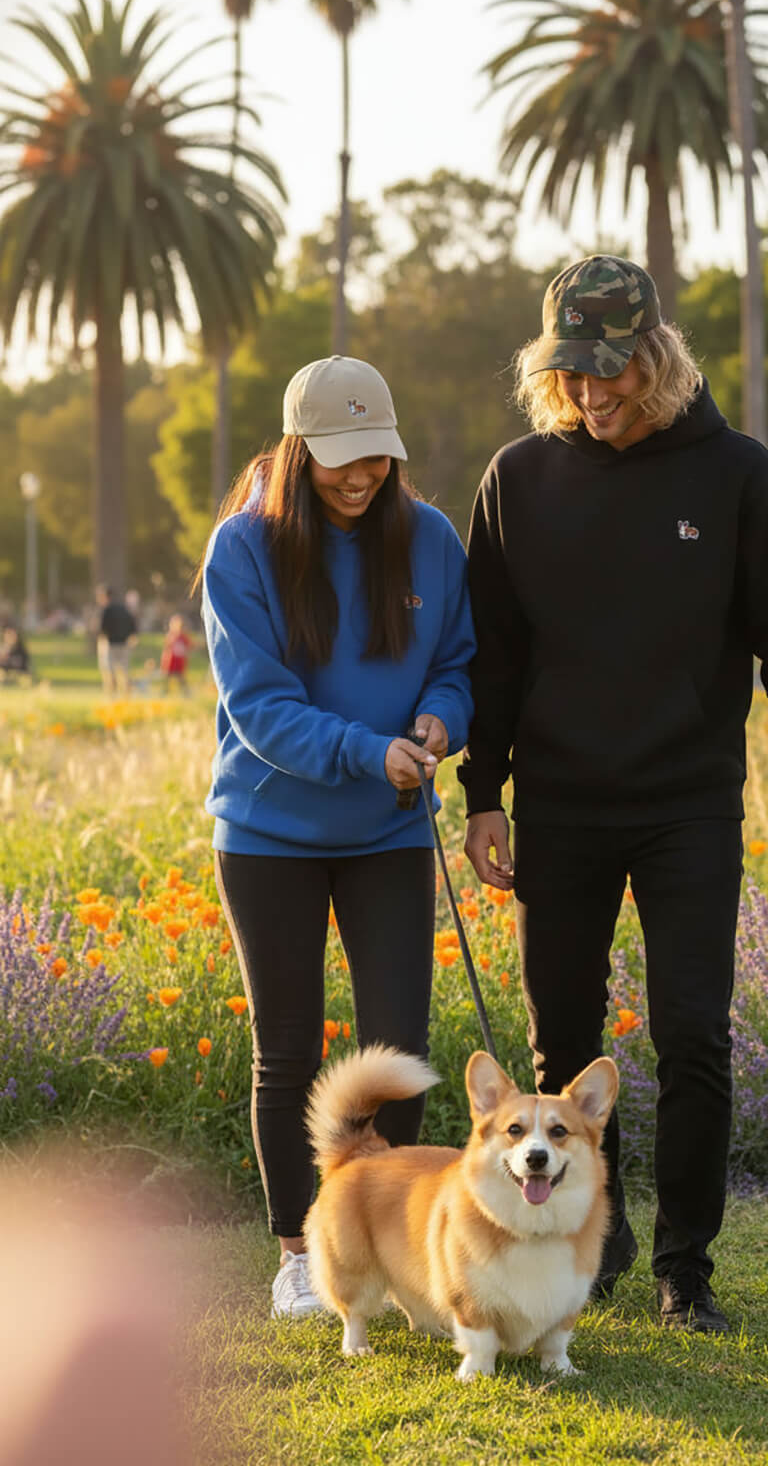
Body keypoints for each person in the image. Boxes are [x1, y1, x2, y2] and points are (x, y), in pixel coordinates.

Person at [458, 255, 768, 1336]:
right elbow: (493, 658)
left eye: (612, 370)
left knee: (693, 1038)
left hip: (689, 803)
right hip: (560, 804)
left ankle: (686, 1268)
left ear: (658, 357)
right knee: (562, 1049)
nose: (592, 393)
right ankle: (603, 1236)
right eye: (572, 373)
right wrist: (482, 792)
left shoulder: (737, 476)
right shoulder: (518, 480)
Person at [199, 355, 475, 1319]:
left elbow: (458, 663)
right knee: (288, 1046)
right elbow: (261, 708)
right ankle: (297, 1254)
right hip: (268, 833)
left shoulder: (430, 538)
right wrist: (368, 751)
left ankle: (390, 1243)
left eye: (376, 455)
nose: (361, 476)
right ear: (298, 449)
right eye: (340, 457)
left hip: (389, 830)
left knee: (399, 1042)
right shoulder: (243, 547)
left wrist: (442, 719)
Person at [95, 585, 137, 693]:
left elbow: (102, 628)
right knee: (125, 669)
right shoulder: (123, 608)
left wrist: (101, 638)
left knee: (109, 670)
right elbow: (133, 624)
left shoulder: (106, 609)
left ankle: (111, 693)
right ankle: (127, 692)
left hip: (110, 643)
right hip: (124, 643)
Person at [160, 614, 193, 692]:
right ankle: (165, 690)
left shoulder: (183, 637)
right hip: (171, 660)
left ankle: (185, 691)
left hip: (179, 661)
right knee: (167, 676)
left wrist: (187, 652)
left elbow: (189, 646)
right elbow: (167, 647)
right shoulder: (170, 636)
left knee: (180, 677)